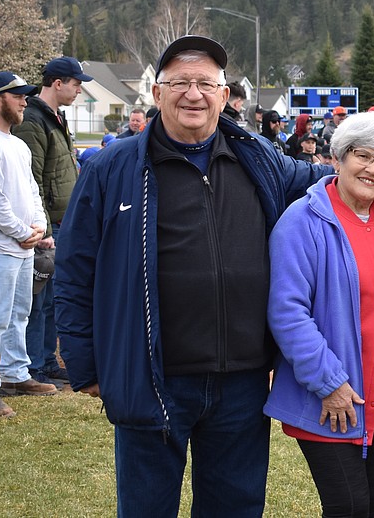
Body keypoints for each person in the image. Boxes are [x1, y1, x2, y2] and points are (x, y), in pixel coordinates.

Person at [54, 35, 332, 517]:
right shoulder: (111, 168)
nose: (193, 94)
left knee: (235, 507)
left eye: (206, 82)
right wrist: (86, 366)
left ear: (224, 96)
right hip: (152, 372)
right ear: (157, 94)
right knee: (146, 508)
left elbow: (328, 182)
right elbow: (76, 269)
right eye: (179, 82)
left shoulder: (258, 157)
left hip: (242, 379)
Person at [265, 110, 374, 518]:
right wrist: (328, 382)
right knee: (349, 507)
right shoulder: (302, 220)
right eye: (363, 155)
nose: (373, 169)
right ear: (339, 157)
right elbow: (288, 311)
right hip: (332, 398)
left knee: (366, 506)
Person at [0, 72, 56, 419]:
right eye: (16, 95)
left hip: (20, 245)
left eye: (24, 95)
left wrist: (38, 224)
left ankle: (16, 375)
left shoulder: (15, 143)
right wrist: (23, 231)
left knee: (19, 313)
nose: (24, 101)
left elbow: (32, 190)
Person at [12, 55, 89, 385]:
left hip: (62, 222)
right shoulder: (33, 120)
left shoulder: (55, 118)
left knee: (54, 299)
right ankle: (33, 366)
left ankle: (46, 360)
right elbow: (34, 179)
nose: (78, 92)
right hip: (47, 226)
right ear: (57, 83)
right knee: (39, 300)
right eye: (76, 85)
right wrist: (41, 225)